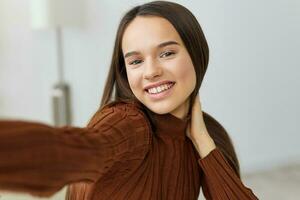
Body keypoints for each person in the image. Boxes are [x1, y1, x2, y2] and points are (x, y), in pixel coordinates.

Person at [0, 1, 259, 199]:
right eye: (136, 61)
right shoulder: (128, 123)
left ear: (196, 53)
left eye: (167, 53)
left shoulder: (206, 135)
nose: (151, 71)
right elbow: (67, 152)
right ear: (125, 71)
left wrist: (203, 141)